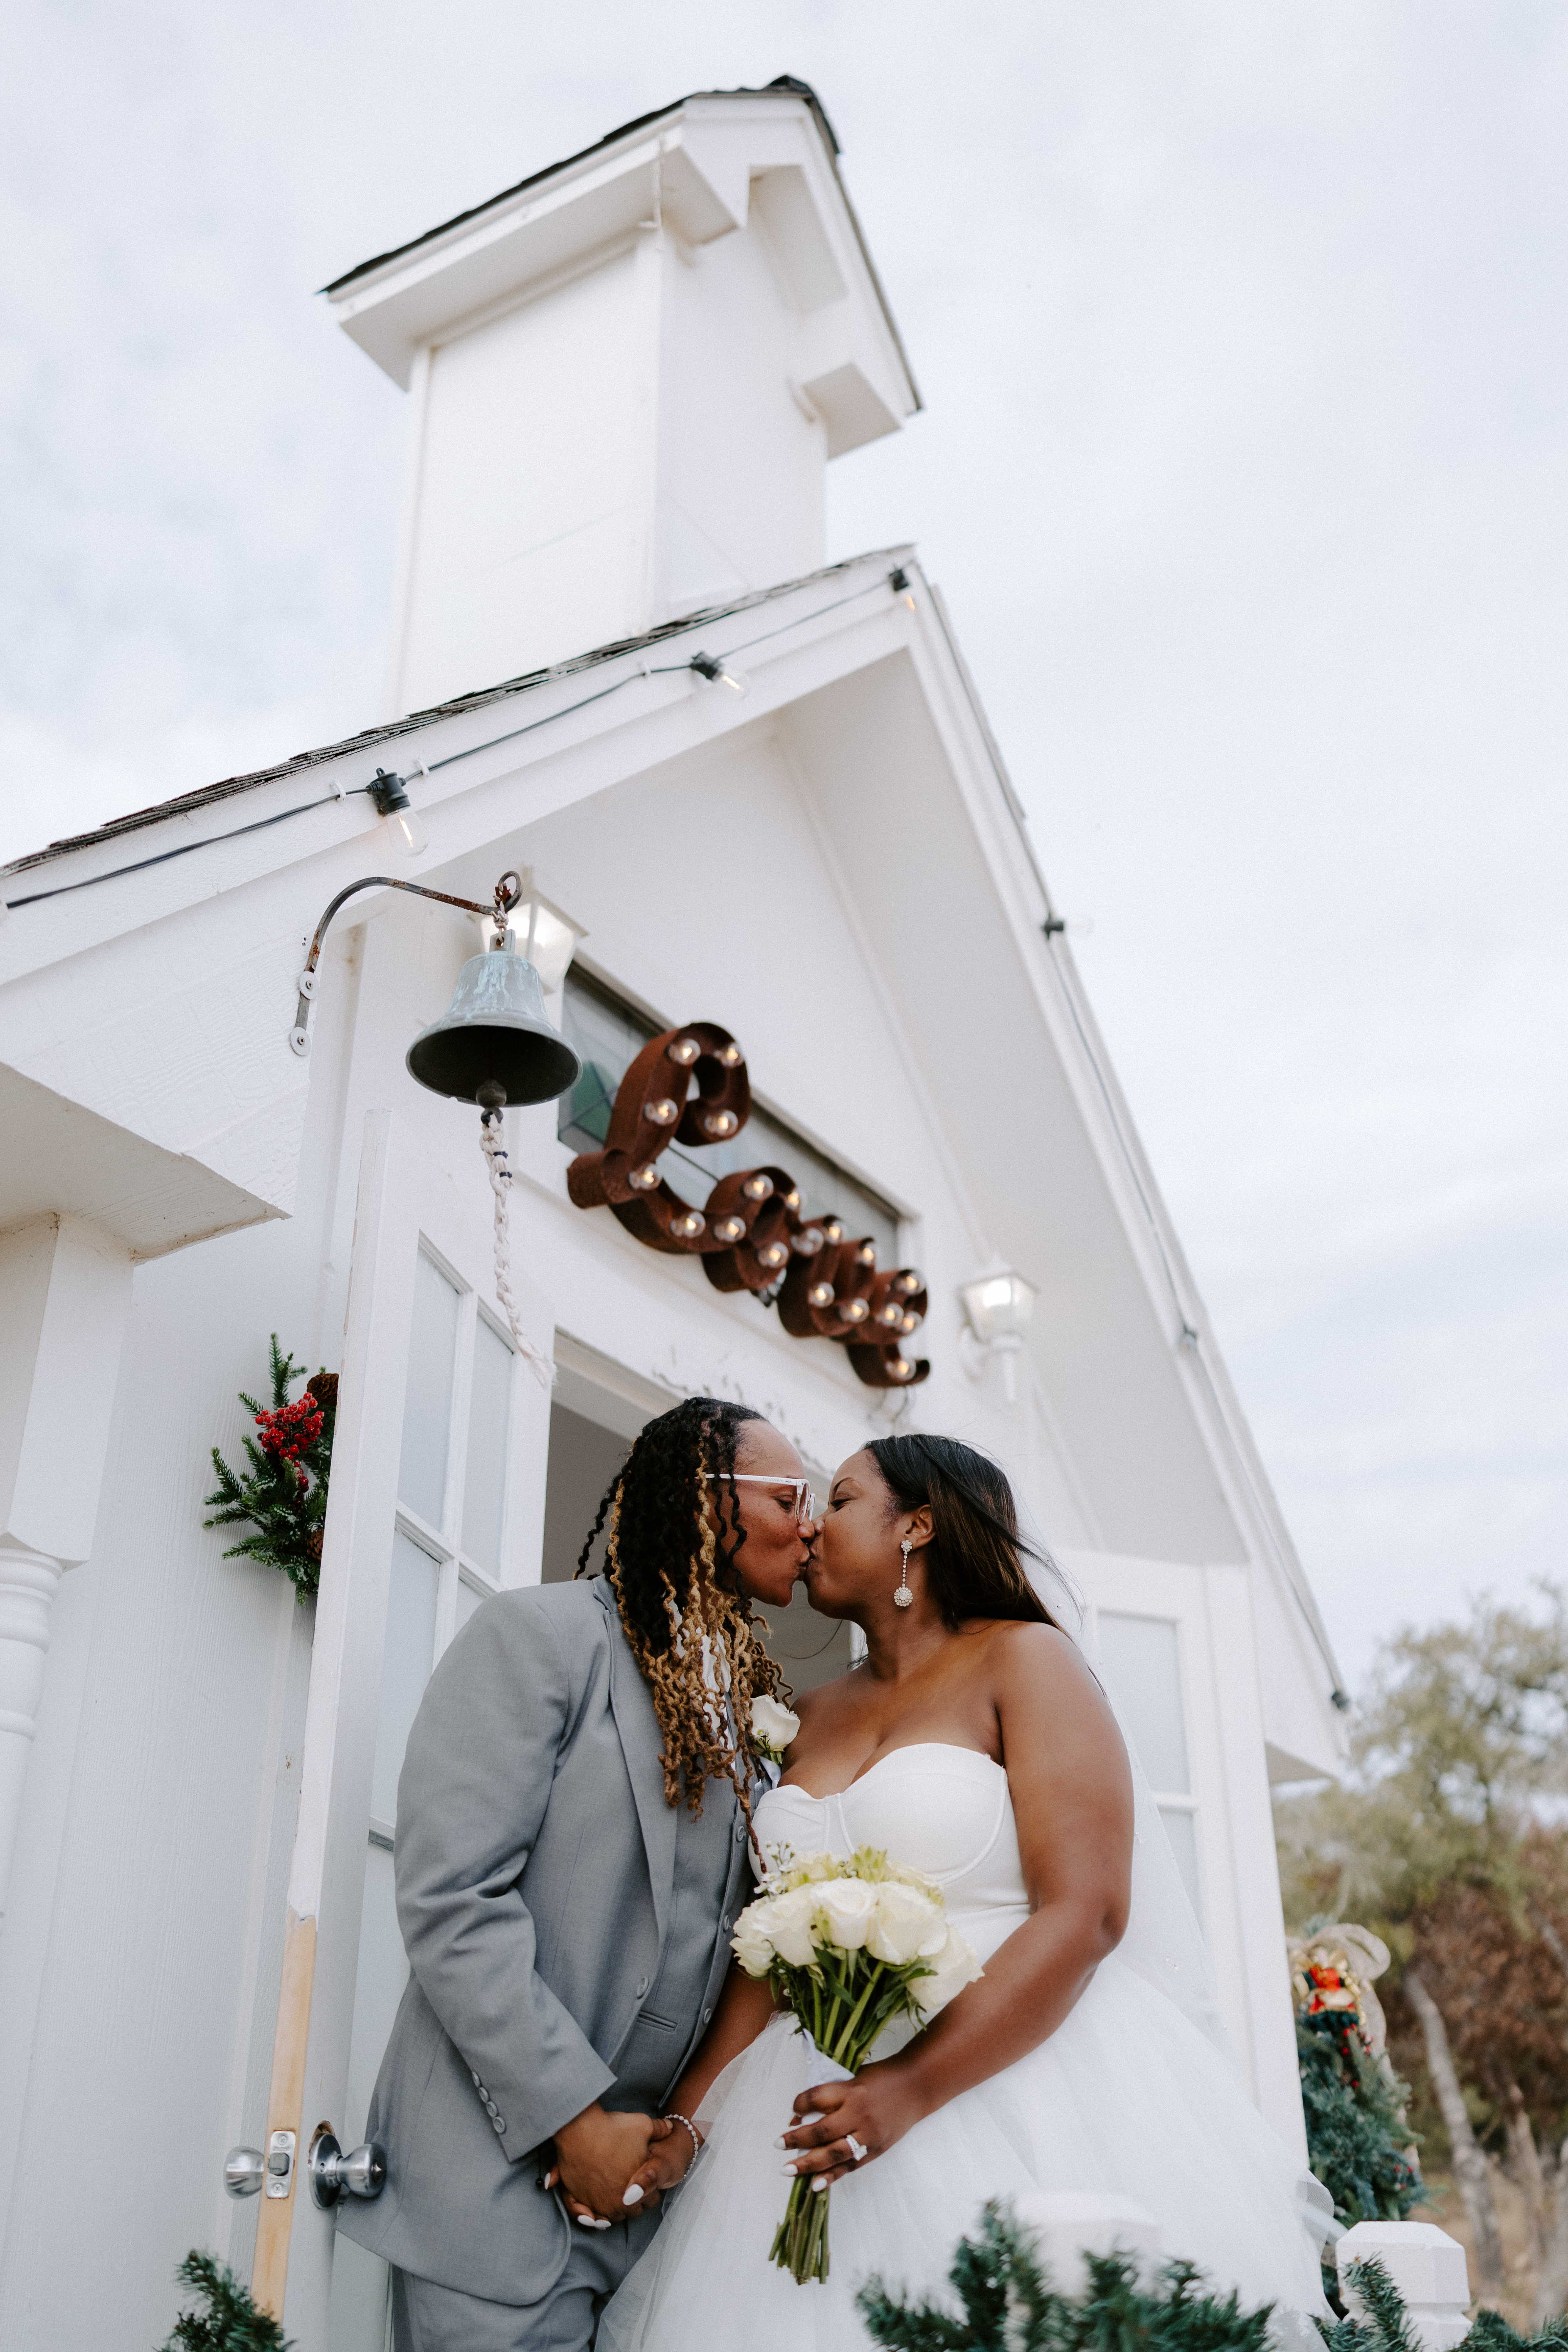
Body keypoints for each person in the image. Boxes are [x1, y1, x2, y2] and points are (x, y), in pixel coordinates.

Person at [598, 1434, 1333, 2352]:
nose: (811, 1525)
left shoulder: (1025, 1663)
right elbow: (770, 1950)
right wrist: (689, 2125)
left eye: (841, 1499)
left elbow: (1087, 1911)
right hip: (799, 2115)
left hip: (1012, 2087)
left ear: (917, 1524)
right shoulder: (809, 1714)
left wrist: (905, 2089)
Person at [334, 1396, 817, 2352]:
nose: (810, 1524)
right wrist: (576, 2121)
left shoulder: (752, 1714)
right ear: (699, 1500)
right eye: (791, 1494)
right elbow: (451, 1898)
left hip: (653, 2218)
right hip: (497, 2199)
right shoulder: (540, 1638)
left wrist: (674, 2138)